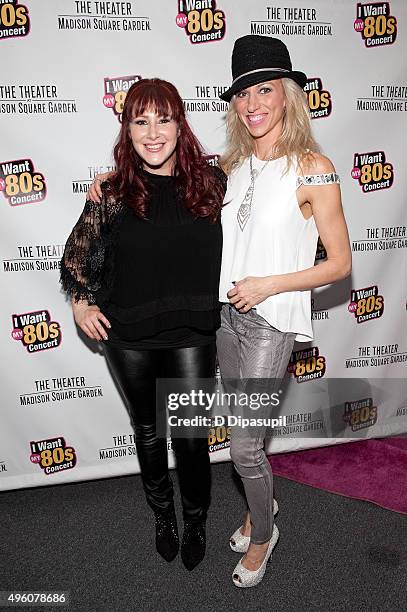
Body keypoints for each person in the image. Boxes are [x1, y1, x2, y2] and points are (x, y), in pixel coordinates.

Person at [60, 78, 226, 571]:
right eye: (141, 121)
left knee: (192, 435)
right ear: (127, 129)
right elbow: (76, 259)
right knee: (149, 430)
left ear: (181, 125)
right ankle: (163, 515)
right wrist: (81, 304)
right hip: (128, 333)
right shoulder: (112, 192)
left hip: (193, 329)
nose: (153, 133)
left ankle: (195, 519)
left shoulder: (213, 183)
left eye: (164, 119)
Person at [216, 35, 352, 588]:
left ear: (289, 95)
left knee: (245, 447)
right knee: (238, 437)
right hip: (226, 317)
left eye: (264, 89)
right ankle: (260, 508)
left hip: (272, 323)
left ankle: (265, 536)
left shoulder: (314, 167)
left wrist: (270, 283)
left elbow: (340, 263)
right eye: (244, 92)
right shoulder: (233, 165)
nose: (253, 104)